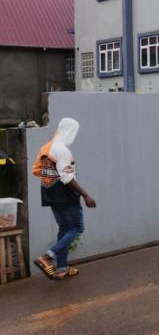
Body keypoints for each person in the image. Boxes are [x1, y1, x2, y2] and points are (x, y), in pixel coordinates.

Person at [32, 118, 96, 280]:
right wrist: (86, 195)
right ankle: (47, 257)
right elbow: (67, 178)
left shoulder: (46, 148)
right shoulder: (62, 150)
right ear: (70, 132)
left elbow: (38, 171)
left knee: (64, 230)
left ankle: (62, 268)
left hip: (50, 194)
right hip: (65, 195)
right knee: (76, 227)